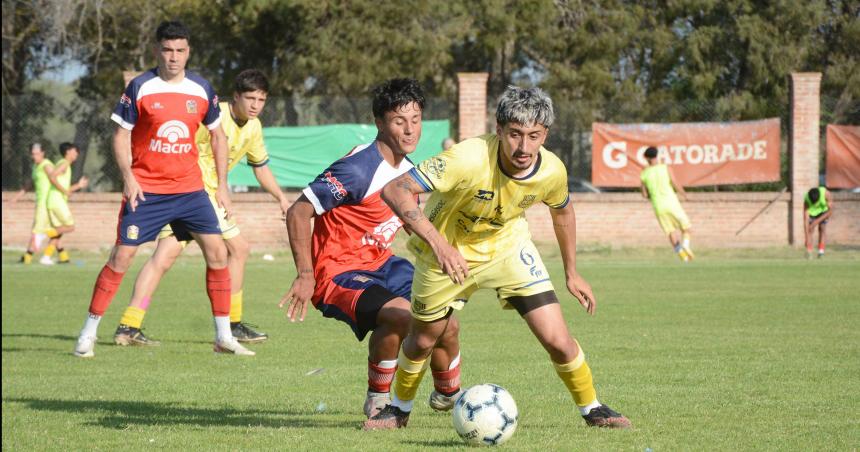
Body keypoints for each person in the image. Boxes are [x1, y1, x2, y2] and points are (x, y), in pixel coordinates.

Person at [364, 85, 631, 430]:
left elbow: (563, 212)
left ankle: (592, 408)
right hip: (445, 254)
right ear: (499, 130)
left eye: (534, 136)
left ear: (545, 134)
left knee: (558, 340)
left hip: (508, 250)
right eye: (515, 134)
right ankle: (398, 410)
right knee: (423, 340)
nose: (524, 147)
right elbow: (395, 189)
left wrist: (572, 272)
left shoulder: (552, 170)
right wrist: (440, 246)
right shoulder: (467, 157)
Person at [280, 78, 462, 418]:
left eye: (416, 120)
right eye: (399, 121)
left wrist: (446, 251)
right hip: (338, 272)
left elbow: (410, 223)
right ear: (379, 122)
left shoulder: (408, 172)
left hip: (382, 263)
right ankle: (378, 398)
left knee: (444, 317)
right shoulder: (356, 169)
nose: (410, 130)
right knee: (400, 314)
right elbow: (298, 211)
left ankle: (451, 396)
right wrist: (305, 274)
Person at [73, 20, 253, 358]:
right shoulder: (140, 87)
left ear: (188, 52)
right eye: (167, 50)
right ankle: (88, 332)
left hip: (190, 191)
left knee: (218, 254)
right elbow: (120, 135)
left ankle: (223, 337)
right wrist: (128, 177)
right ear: (157, 50)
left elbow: (218, 136)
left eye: (180, 50)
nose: (173, 57)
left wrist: (223, 187)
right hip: (147, 192)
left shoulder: (201, 89)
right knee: (122, 257)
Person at [111, 69, 287, 347]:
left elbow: (260, 167)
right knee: (238, 248)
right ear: (236, 97)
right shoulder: (214, 115)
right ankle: (232, 324)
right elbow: (181, 141)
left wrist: (281, 198)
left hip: (193, 195)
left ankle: (129, 325)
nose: (255, 105)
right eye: (250, 98)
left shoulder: (254, 127)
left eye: (261, 99)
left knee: (164, 257)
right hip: (196, 192)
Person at [640, 146, 693, 261]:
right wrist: (685, 195)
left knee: (670, 232)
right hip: (672, 203)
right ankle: (686, 245)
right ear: (656, 155)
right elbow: (675, 183)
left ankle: (684, 258)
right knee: (687, 228)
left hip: (658, 207)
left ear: (646, 158)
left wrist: (651, 194)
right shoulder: (665, 168)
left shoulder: (644, 174)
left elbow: (644, 194)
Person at [42, 142, 89, 264]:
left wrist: (78, 185)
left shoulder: (62, 164)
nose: (77, 153)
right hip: (57, 201)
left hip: (53, 201)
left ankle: (46, 257)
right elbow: (52, 177)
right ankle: (41, 235)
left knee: (59, 232)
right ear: (68, 152)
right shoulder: (64, 163)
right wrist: (64, 191)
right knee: (70, 227)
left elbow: (65, 189)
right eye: (75, 151)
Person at [14, 143, 55, 264]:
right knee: (52, 230)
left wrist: (64, 193)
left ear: (43, 153)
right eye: (32, 154)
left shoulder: (47, 165)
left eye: (36, 154)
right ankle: (58, 257)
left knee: (38, 231)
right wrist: (17, 197)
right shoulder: (36, 166)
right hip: (41, 202)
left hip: (46, 203)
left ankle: (30, 257)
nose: (34, 156)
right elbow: (30, 184)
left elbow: (55, 180)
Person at [804, 186, 833, 259]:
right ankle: (809, 252)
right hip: (812, 213)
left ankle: (821, 252)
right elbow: (805, 218)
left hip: (824, 212)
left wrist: (815, 222)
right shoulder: (807, 198)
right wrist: (806, 238)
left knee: (822, 228)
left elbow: (830, 212)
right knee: (810, 230)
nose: (815, 204)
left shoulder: (826, 194)